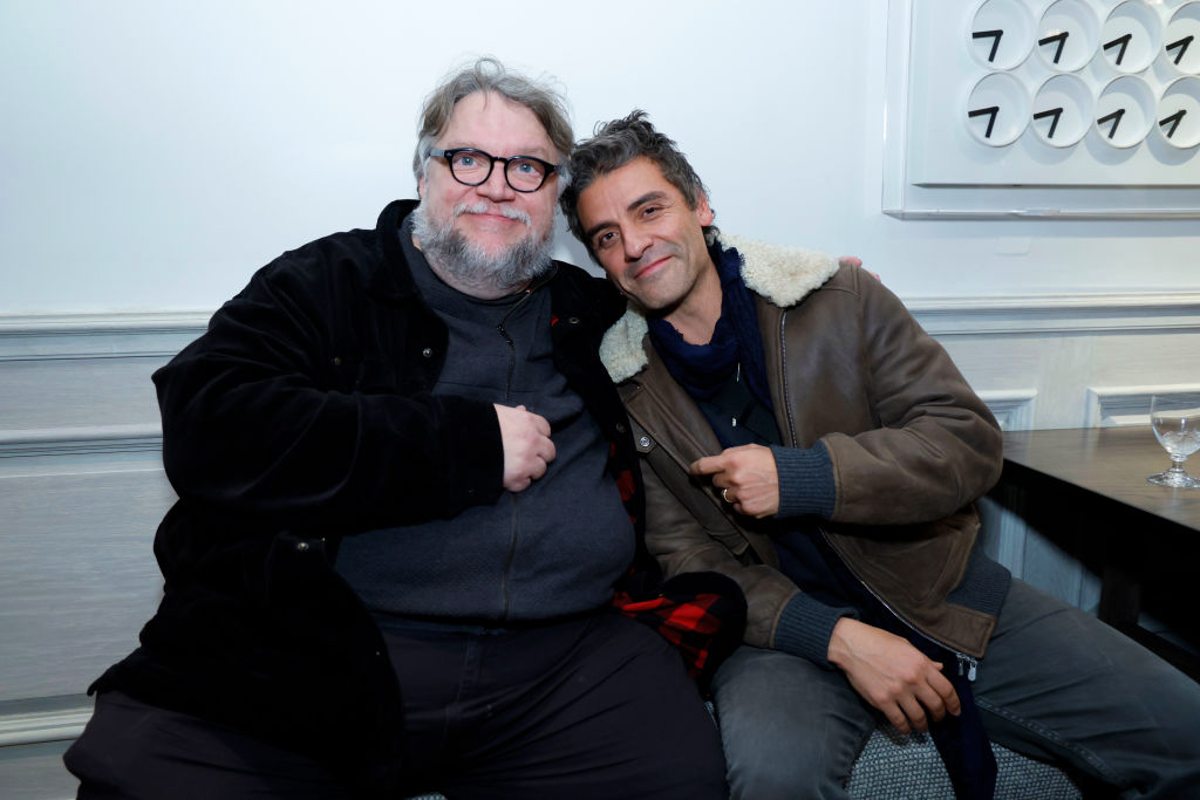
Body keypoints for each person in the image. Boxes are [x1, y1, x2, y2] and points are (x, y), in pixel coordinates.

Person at [62, 61, 745, 800]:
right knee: (140, 779)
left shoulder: (589, 311)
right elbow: (210, 422)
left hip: (565, 663)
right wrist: (462, 445)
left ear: (554, 199)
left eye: (527, 167)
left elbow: (691, 288)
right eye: (468, 158)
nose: (495, 184)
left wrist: (796, 297)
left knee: (681, 778)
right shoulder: (329, 282)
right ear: (424, 174)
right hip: (320, 647)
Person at [560, 110, 1200, 800]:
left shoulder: (837, 298)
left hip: (940, 590)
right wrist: (836, 637)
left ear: (701, 204)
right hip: (782, 635)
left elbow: (966, 439)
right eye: (606, 237)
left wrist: (806, 478)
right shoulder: (623, 382)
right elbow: (690, 562)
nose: (634, 245)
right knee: (774, 779)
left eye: (649, 209)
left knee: (1186, 732)